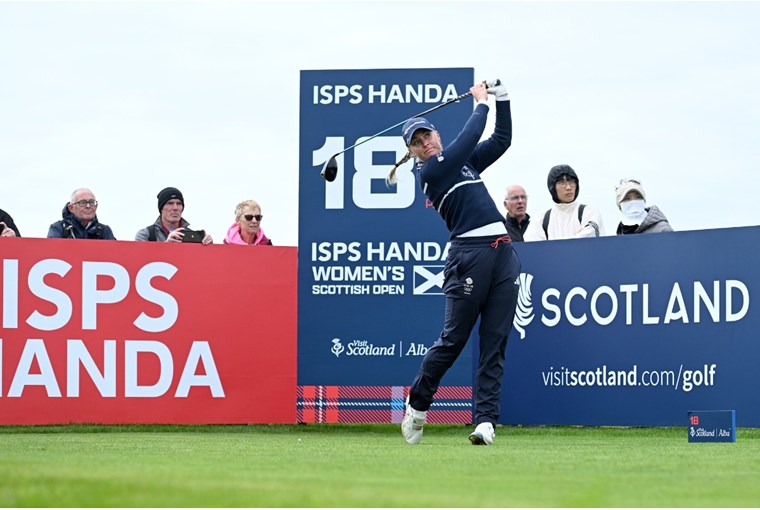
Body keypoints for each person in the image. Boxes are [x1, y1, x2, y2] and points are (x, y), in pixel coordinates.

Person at [387, 80, 520, 446]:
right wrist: (480, 104)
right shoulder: (431, 172)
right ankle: (417, 403)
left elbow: (501, 140)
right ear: (414, 152)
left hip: (503, 253)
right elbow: (468, 139)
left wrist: (503, 99)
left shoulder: (464, 163)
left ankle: (486, 422)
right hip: (469, 257)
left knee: (495, 340)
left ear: (435, 133)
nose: (427, 142)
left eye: (428, 134)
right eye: (418, 141)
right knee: (454, 340)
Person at [523, 164, 605, 241]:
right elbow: (533, 245)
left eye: (572, 182)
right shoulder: (541, 219)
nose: (569, 187)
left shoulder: (590, 212)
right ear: (552, 187)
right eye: (562, 183)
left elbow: (588, 239)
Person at [135, 187, 213, 244]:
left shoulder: (192, 235)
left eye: (179, 204)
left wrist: (209, 248)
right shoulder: (146, 234)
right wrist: (166, 245)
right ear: (161, 208)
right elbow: (141, 261)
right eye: (170, 203)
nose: (175, 208)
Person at [47, 188, 116, 240]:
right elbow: (53, 253)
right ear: (71, 208)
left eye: (92, 202)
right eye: (83, 203)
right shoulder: (58, 228)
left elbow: (114, 254)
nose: (88, 206)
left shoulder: (104, 231)